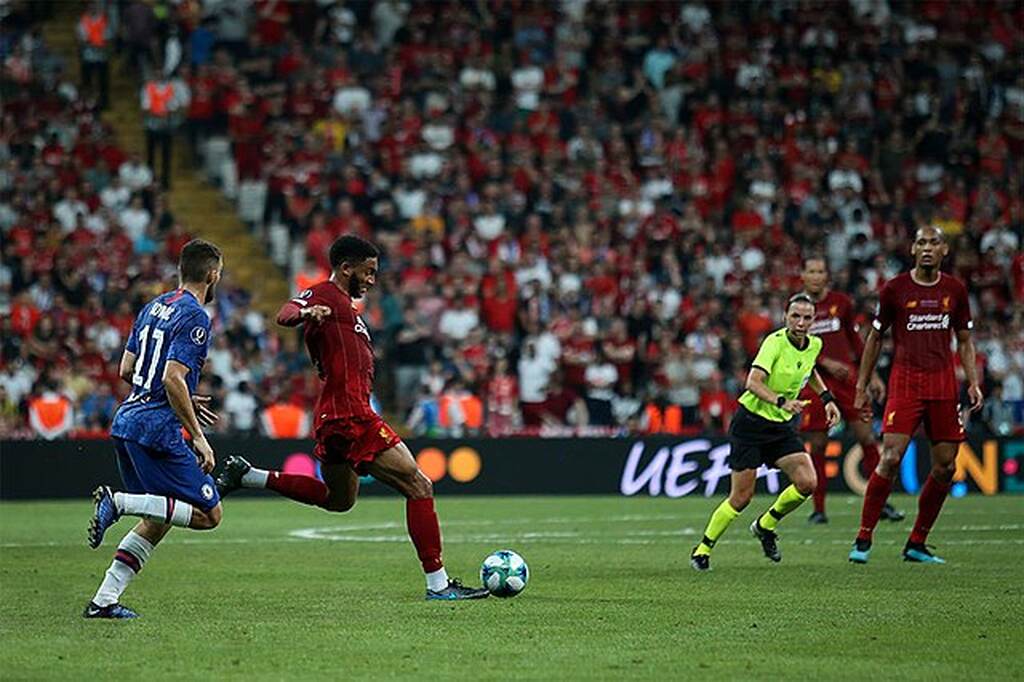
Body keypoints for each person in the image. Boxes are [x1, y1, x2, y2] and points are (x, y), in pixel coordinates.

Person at [216, 235, 488, 600]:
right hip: (350, 415)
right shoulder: (325, 296)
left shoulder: (348, 310)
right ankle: (438, 585)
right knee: (419, 485)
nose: (372, 279)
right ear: (347, 268)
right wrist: (305, 314)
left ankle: (249, 476)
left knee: (339, 500)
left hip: (335, 415)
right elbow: (285, 312)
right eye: (369, 271)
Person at [83, 240, 225, 618]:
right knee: (209, 514)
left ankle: (103, 601)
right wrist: (197, 435)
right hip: (155, 431)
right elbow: (172, 377)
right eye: (219, 274)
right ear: (212, 274)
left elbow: (128, 371)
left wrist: (178, 396)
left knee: (161, 517)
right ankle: (119, 502)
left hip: (127, 420)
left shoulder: (153, 307)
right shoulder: (195, 316)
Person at [849, 226, 983, 564]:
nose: (927, 248)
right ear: (912, 249)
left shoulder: (956, 290)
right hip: (905, 383)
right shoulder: (894, 289)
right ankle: (864, 537)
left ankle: (916, 542)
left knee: (945, 467)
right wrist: (862, 385)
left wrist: (973, 380)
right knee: (890, 457)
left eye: (933, 242)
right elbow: (874, 339)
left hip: (942, 386)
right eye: (921, 242)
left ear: (944, 250)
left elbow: (965, 341)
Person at [690, 294, 840, 571]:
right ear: (785, 317)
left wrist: (827, 398)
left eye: (807, 317)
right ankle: (703, 548)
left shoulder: (814, 345)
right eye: (795, 316)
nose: (801, 322)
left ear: (814, 321)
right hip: (751, 424)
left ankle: (765, 525)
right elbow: (752, 382)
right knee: (741, 497)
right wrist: (782, 401)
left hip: (781, 427)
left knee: (807, 483)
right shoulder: (774, 342)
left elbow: (810, 370)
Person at [797, 256, 903, 524]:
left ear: (826, 275)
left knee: (867, 438)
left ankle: (882, 504)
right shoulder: (797, 307)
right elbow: (793, 344)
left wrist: (872, 376)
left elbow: (856, 342)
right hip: (815, 381)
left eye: (821, 270)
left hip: (847, 381)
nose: (816, 276)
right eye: (811, 271)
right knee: (818, 445)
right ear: (803, 275)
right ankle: (818, 510)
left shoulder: (841, 303)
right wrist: (824, 361)